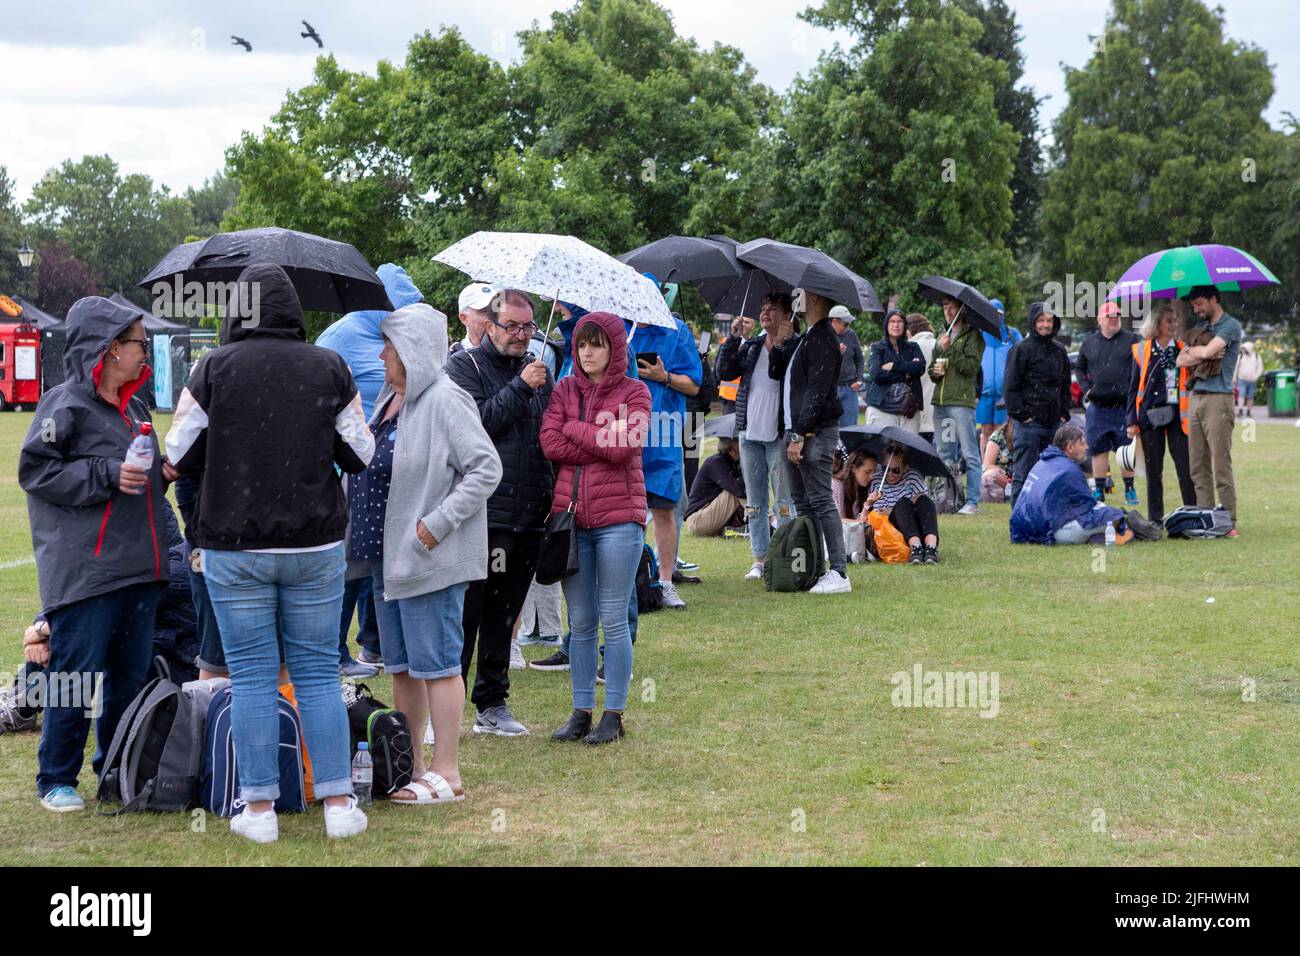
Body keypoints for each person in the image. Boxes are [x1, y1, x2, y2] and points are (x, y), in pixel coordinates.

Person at [166, 264, 374, 843]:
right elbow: (360, 450)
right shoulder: (329, 367)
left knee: (253, 676)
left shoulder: (212, 369)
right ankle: (337, 800)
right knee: (315, 671)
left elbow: (177, 450)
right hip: (316, 542)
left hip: (235, 545)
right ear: (293, 311)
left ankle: (258, 810)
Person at [18, 297, 171, 812]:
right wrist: (106, 474)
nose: (142, 351)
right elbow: (36, 472)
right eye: (135, 342)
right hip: (87, 570)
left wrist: (167, 472)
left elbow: (144, 475)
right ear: (106, 350)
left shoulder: (135, 407)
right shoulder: (63, 405)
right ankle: (55, 778)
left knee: (128, 680)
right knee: (73, 679)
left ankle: (115, 771)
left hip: (140, 567)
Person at [350, 302, 502, 803]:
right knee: (401, 665)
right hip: (385, 558)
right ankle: (410, 766)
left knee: (437, 664)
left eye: (389, 346)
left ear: (412, 350)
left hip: (428, 557)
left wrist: (435, 525)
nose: (382, 354)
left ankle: (448, 771)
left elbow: (485, 468)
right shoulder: (391, 397)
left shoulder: (445, 399)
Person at [445, 288, 553, 738]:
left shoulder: (540, 371)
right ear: (489, 324)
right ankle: (445, 704)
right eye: (512, 326)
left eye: (528, 327)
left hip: (531, 511)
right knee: (467, 614)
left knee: (505, 616)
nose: (521, 335)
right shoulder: (462, 367)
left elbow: (547, 434)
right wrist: (520, 386)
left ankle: (492, 703)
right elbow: (478, 424)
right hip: (484, 513)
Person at [540, 312, 652, 745]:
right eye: (582, 344)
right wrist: (594, 436)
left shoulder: (636, 392)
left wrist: (574, 429)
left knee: (613, 618)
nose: (587, 352)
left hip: (619, 519)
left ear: (615, 348)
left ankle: (614, 714)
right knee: (582, 621)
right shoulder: (564, 387)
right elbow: (549, 442)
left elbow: (626, 446)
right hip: (571, 519)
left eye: (597, 344)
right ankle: (581, 710)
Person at [317, 263, 426, 678]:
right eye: (404, 306)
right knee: (348, 566)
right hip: (343, 469)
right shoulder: (342, 336)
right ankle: (333, 651)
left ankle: (370, 647)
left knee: (367, 566)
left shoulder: (381, 332)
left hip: (380, 467)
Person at [771, 289, 852, 594]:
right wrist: (782, 341)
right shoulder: (807, 336)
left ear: (816, 300)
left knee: (820, 499)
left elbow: (817, 393)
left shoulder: (824, 339)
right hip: (797, 430)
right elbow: (778, 372)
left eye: (802, 295)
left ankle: (839, 573)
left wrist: (800, 436)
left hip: (812, 433)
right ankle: (816, 566)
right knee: (803, 502)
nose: (796, 300)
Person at [715, 292, 797, 580]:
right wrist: (733, 339)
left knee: (783, 500)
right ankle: (760, 558)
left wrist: (782, 341)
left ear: (787, 314)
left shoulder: (793, 346)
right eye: (762, 308)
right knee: (755, 500)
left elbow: (779, 374)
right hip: (749, 432)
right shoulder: (750, 345)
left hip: (777, 434)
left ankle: (786, 554)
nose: (764, 313)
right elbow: (724, 372)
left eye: (772, 309)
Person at [632, 313, 702, 608]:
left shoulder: (676, 331)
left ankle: (666, 582)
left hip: (664, 433)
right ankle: (631, 582)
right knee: (626, 512)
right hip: (625, 429)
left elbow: (695, 385)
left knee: (664, 509)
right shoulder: (620, 329)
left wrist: (665, 377)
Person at [1178, 285, 1243, 534]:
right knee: (1197, 465)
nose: (1196, 309)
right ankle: (1206, 520)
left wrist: (1200, 352)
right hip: (1196, 398)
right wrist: (1201, 354)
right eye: (1193, 305)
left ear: (1214, 299)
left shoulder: (1230, 326)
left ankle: (1229, 523)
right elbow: (1181, 359)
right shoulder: (1203, 328)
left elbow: (1206, 350)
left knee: (1220, 465)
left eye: (1199, 304)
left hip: (1219, 399)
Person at [1127, 303, 1195, 523]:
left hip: (1178, 418)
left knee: (1185, 469)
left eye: (1175, 320)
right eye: (1169, 321)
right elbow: (1133, 387)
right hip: (1150, 417)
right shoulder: (1142, 350)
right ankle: (1155, 520)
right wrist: (1131, 421)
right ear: (1156, 325)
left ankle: (1192, 515)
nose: (1174, 325)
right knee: (1153, 471)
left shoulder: (1183, 348)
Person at [1010, 423, 1132, 545]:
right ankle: (1105, 535)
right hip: (1048, 532)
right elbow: (1088, 506)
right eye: (1082, 443)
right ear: (1070, 447)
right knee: (1111, 519)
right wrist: (1115, 515)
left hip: (1022, 529)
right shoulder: (1069, 470)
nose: (1087, 447)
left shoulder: (1042, 462)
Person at [1003, 302, 1073, 504]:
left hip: (1054, 423)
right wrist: (1022, 415)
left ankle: (1047, 517)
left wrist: (1063, 412)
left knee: (1053, 475)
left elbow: (1065, 383)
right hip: (1028, 425)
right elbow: (1010, 386)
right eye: (1041, 320)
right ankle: (1019, 519)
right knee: (1023, 475)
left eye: (1049, 320)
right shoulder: (1020, 349)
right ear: (1033, 323)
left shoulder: (1059, 350)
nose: (1046, 324)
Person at [1076, 301, 1140, 505]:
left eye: (1117, 315)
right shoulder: (1088, 343)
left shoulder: (1133, 340)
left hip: (1124, 406)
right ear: (1099, 319)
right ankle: (1099, 491)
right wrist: (1086, 389)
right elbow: (1079, 368)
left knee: (1125, 449)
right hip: (1098, 407)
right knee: (1098, 448)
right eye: (1109, 316)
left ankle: (1130, 490)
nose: (1114, 319)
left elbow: (1143, 365)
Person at [928, 295, 986, 514]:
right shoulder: (942, 335)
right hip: (941, 403)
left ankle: (972, 502)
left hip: (961, 403)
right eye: (945, 306)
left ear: (962, 310)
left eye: (952, 306)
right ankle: (948, 499)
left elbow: (971, 368)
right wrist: (935, 370)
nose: (948, 310)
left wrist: (950, 349)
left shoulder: (974, 337)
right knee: (945, 454)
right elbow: (932, 371)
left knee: (970, 453)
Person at [864, 445, 941, 563]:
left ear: (905, 467)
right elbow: (880, 515)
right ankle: (916, 548)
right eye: (886, 469)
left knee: (925, 501)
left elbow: (922, 507)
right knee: (903, 504)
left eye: (896, 470)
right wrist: (871, 503)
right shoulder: (876, 481)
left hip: (916, 526)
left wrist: (892, 510)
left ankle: (931, 548)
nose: (890, 474)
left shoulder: (913, 476)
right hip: (893, 532)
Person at [865, 308, 925, 432]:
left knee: (909, 449)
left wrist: (893, 366)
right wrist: (906, 373)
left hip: (909, 408)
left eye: (899, 322)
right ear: (886, 325)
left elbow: (920, 368)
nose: (896, 325)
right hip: (882, 407)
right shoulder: (877, 348)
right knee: (882, 448)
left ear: (905, 325)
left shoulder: (913, 347)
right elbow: (877, 375)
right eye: (892, 321)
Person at [978, 299, 1022, 458]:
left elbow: (1022, 359)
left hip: (1005, 394)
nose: (996, 317)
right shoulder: (980, 334)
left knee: (1001, 430)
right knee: (986, 430)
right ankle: (986, 467)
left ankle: (1000, 465)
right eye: (992, 313)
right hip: (984, 393)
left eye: (999, 314)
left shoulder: (1012, 335)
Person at [685, 437, 746, 536]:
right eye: (738, 440)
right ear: (730, 445)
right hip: (697, 520)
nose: (743, 441)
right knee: (735, 492)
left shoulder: (733, 462)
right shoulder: (716, 462)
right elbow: (739, 491)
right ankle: (770, 520)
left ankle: (760, 522)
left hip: (710, 516)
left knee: (744, 489)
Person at [829, 305, 864, 426]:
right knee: (827, 431)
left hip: (850, 388)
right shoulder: (823, 335)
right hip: (829, 389)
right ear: (834, 321)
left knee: (850, 431)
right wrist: (835, 352)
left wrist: (859, 380)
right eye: (845, 324)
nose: (847, 327)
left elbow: (859, 358)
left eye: (848, 324)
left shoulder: (851, 335)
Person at [907, 313, 938, 443]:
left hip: (915, 412)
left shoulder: (909, 347)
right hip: (938, 413)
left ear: (909, 331)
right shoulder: (940, 345)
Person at [451, 281, 498, 354]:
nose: (494, 317)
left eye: (496, 310)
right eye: (485, 311)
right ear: (464, 318)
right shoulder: (452, 361)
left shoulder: (515, 357)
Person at [833, 449, 879, 520]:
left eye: (874, 472)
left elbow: (861, 521)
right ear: (854, 469)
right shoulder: (835, 486)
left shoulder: (862, 489)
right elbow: (837, 522)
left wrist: (868, 505)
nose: (871, 477)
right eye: (867, 472)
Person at [980, 421, 1013, 504]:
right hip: (1004, 478)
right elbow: (988, 465)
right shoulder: (998, 436)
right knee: (988, 476)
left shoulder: (1032, 434)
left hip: (1024, 478)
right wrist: (1008, 477)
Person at [1234, 341, 1264, 418]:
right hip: (1242, 379)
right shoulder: (1240, 357)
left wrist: (1256, 376)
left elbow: (1260, 368)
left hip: (1252, 380)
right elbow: (1236, 368)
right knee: (1241, 394)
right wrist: (1234, 378)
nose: (1244, 350)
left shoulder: (1256, 356)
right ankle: (1240, 411)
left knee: (1250, 396)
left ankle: (1248, 411)